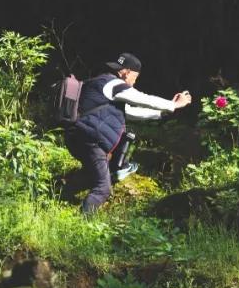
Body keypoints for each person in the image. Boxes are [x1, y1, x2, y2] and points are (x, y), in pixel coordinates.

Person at [65, 52, 191, 214]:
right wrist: (174, 105)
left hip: (76, 136)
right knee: (103, 188)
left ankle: (61, 195)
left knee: (93, 174)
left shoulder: (99, 83)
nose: (134, 82)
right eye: (135, 77)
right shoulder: (114, 84)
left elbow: (130, 112)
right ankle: (82, 226)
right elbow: (143, 98)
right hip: (90, 139)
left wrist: (162, 113)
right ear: (126, 72)